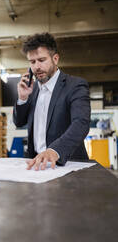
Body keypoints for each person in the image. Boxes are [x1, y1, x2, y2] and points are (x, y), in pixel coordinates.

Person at [13, 33, 90, 171]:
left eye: (42, 60)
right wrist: (23, 98)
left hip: (68, 165)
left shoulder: (75, 86)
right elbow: (19, 122)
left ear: (55, 58)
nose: (37, 67)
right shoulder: (32, 89)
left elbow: (81, 124)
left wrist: (54, 150)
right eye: (32, 62)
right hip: (37, 165)